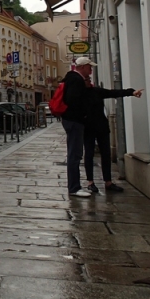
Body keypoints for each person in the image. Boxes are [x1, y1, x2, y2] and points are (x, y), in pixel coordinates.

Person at [84, 80, 143, 193]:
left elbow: (113, 93)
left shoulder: (96, 91)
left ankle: (108, 181)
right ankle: (90, 182)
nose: (88, 82)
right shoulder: (78, 94)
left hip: (101, 127)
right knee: (89, 154)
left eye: (87, 80)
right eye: (85, 80)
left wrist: (131, 92)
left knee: (106, 154)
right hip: (88, 129)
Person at [60, 57, 94, 198]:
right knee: (75, 155)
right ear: (82, 67)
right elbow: (73, 100)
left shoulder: (71, 78)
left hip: (71, 120)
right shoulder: (76, 80)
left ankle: (74, 186)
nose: (91, 70)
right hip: (74, 121)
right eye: (89, 67)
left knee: (74, 154)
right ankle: (74, 187)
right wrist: (83, 115)